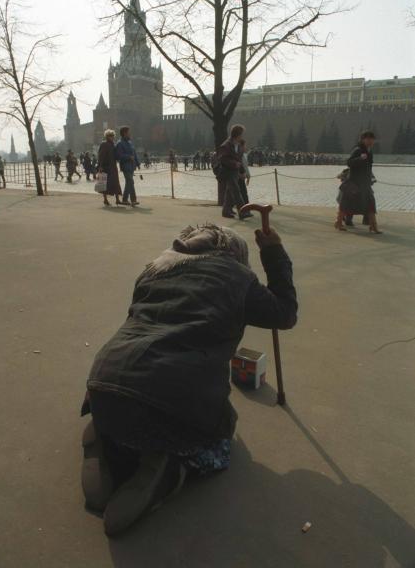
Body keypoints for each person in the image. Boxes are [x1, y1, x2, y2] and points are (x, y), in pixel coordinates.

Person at [81, 221, 297, 536]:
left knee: (129, 405)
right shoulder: (237, 277)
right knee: (220, 441)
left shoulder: (154, 267)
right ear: (236, 253)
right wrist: (274, 252)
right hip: (173, 401)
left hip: (103, 384)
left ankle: (106, 439)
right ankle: (170, 467)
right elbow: (285, 312)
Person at [335, 130, 382, 233]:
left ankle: (373, 226)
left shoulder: (369, 151)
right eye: (368, 139)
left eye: (372, 139)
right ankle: (338, 223)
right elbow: (349, 163)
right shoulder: (358, 150)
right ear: (362, 140)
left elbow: (368, 168)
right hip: (354, 183)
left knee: (370, 204)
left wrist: (371, 178)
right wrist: (360, 158)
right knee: (346, 205)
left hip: (365, 183)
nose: (370, 141)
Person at [218, 124, 252, 220]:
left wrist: (242, 172)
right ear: (237, 134)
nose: (242, 136)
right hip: (227, 171)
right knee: (236, 191)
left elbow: (240, 160)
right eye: (241, 134)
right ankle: (243, 212)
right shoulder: (226, 145)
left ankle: (226, 211)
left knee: (230, 191)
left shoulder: (239, 145)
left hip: (235, 172)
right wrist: (234, 164)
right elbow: (222, 158)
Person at [98, 130, 125, 207]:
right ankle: (105, 199)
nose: (112, 137)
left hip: (113, 167)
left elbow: (115, 156)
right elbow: (101, 156)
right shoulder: (104, 144)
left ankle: (117, 199)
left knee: (115, 183)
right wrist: (100, 166)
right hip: (105, 167)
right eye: (110, 135)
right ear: (107, 136)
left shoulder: (113, 145)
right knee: (103, 183)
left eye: (113, 136)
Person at [115, 126, 141, 206]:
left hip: (132, 166)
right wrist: (128, 157)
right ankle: (133, 200)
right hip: (125, 166)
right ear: (124, 133)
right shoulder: (119, 144)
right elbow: (119, 156)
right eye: (128, 132)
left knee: (128, 183)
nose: (130, 134)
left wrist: (138, 163)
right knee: (130, 182)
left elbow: (134, 153)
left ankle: (124, 199)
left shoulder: (130, 143)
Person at [238, 139, 251, 206]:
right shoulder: (239, 155)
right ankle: (245, 208)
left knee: (242, 193)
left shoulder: (244, 155)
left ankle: (245, 207)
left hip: (241, 176)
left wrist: (248, 176)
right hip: (238, 176)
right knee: (243, 193)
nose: (245, 147)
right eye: (244, 146)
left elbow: (246, 166)